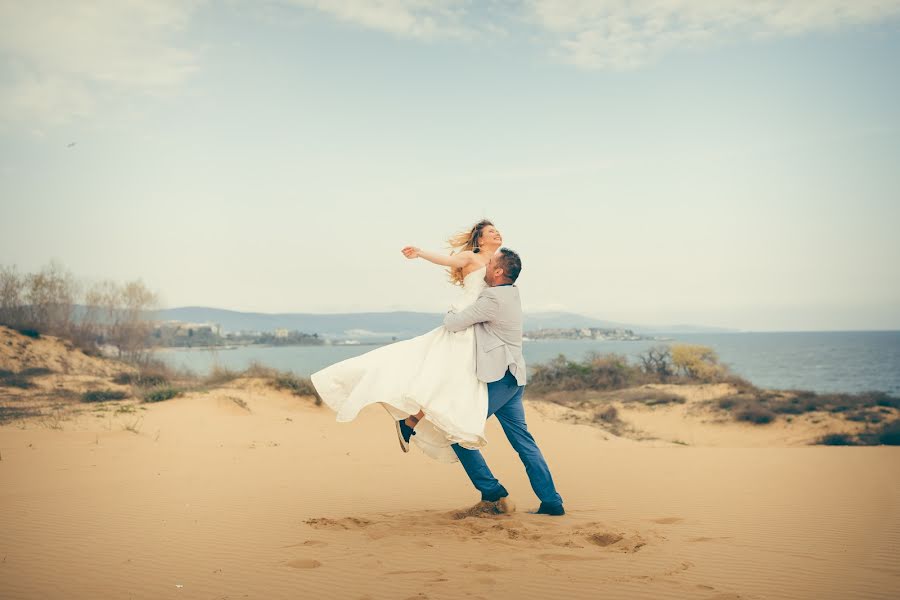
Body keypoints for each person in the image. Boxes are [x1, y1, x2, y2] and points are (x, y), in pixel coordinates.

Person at [310, 219, 502, 463]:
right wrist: (420, 253)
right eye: (491, 232)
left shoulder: (499, 263)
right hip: (463, 323)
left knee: (450, 379)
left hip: (480, 326)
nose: (497, 234)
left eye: (498, 231)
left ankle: (410, 422)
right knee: (442, 373)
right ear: (481, 239)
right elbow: (448, 260)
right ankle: (407, 414)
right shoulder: (470, 257)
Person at [443, 248, 565, 516]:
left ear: (498, 272)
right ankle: (552, 502)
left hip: (499, 379)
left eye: (490, 263)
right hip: (514, 378)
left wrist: (453, 309)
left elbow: (453, 324)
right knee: (524, 442)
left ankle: (492, 492)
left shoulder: (492, 298)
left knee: (457, 431)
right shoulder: (512, 292)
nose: (485, 265)